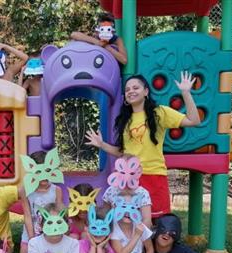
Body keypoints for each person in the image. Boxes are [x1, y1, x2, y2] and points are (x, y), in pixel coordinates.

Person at [85, 72, 201, 218]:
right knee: (127, 220)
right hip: (128, 179)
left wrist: (186, 93)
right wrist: (101, 144)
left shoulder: (159, 113)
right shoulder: (125, 120)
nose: (131, 91)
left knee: (155, 223)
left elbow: (194, 120)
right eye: (127, 90)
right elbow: (124, 153)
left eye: (135, 88)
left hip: (154, 175)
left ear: (146, 91)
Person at [19, 149, 64, 253]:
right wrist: (32, 239)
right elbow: (27, 215)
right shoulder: (25, 190)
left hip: (51, 234)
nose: (43, 176)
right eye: (39, 172)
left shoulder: (56, 190)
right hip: (30, 234)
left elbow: (60, 214)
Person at [102, 154, 152, 227]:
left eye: (131, 173)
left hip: (136, 230)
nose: (127, 176)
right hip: (115, 230)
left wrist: (139, 232)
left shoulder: (142, 193)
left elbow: (147, 220)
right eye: (122, 172)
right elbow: (105, 214)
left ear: (138, 172)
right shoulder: (111, 191)